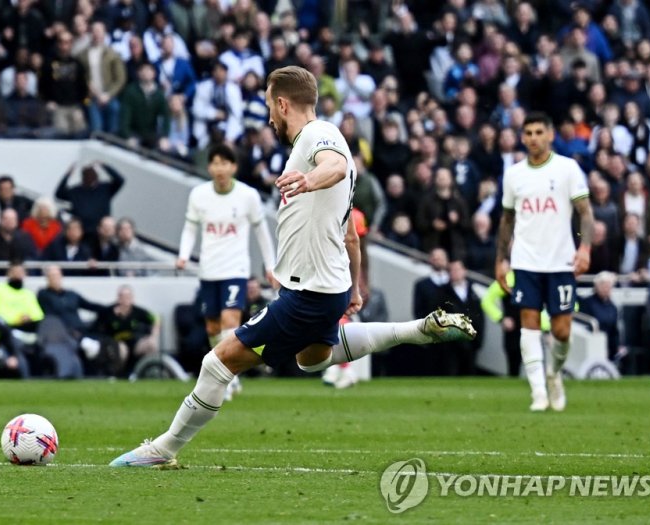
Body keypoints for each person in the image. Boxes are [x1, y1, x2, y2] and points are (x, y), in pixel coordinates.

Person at [110, 66, 476, 468]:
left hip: (309, 292)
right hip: (328, 286)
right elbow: (350, 234)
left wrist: (309, 180)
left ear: (283, 104)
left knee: (217, 362)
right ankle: (418, 330)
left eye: (270, 106)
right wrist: (354, 286)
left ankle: (163, 449)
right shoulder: (317, 142)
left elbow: (334, 166)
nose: (269, 117)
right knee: (311, 358)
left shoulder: (319, 135)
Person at [495, 111, 594, 412]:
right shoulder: (514, 174)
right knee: (529, 324)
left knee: (562, 331)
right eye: (528, 133)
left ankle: (554, 373)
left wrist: (585, 248)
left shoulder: (567, 169)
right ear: (522, 137)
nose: (534, 138)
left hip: (561, 261)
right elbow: (507, 219)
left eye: (539, 132)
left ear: (550, 135)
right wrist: (501, 259)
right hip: (525, 261)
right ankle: (538, 392)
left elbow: (585, 212)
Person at [175, 143, 276, 400]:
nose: (220, 169)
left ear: (234, 167)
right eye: (215, 163)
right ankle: (228, 371)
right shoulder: (198, 195)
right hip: (209, 270)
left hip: (235, 269)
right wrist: (183, 255)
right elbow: (190, 228)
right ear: (209, 167)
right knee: (212, 327)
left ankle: (225, 377)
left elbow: (261, 232)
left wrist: (270, 265)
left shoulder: (248, 196)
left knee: (230, 321)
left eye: (225, 163)